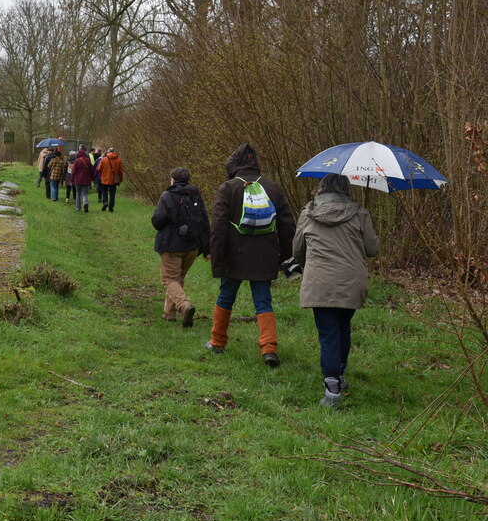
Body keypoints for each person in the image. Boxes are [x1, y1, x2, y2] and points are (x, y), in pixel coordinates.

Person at [292, 173, 379, 407]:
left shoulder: (308, 212)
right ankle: (338, 375)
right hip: (352, 281)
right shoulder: (359, 213)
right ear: (345, 190)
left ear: (321, 188)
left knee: (329, 333)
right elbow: (372, 249)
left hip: (319, 281)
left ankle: (332, 390)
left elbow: (297, 249)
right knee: (342, 327)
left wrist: (305, 265)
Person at [205, 143, 296, 367]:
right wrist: (285, 258)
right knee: (263, 301)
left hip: (233, 256)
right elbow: (287, 227)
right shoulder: (272, 188)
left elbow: (218, 229)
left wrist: (218, 260)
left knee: (226, 296)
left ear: (234, 164)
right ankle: (269, 348)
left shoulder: (227, 188)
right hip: (264, 256)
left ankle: (217, 342)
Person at [151, 167, 210, 327]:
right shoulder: (196, 195)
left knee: (169, 279)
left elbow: (158, 221)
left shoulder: (168, 195)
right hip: (192, 246)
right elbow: (204, 222)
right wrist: (207, 249)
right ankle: (169, 314)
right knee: (178, 279)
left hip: (171, 245)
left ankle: (184, 306)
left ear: (173, 180)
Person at [98, 148, 124, 212]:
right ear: (114, 152)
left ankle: (105, 202)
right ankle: (111, 207)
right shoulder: (119, 160)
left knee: (104, 191)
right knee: (112, 194)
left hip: (105, 179)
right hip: (113, 180)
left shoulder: (104, 159)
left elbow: (99, 169)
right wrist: (120, 179)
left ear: (108, 152)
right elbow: (120, 171)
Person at [71, 148, 93, 212]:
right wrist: (93, 178)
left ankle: (78, 208)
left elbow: (73, 171)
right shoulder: (88, 160)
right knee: (84, 193)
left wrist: (71, 180)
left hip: (78, 180)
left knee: (78, 193)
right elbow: (91, 170)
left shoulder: (77, 161)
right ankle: (85, 203)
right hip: (86, 180)